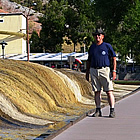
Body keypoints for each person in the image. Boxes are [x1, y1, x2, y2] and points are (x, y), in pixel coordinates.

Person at [86, 28, 117, 118]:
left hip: (105, 70)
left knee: (109, 91)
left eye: (99, 35)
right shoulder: (92, 47)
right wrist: (87, 72)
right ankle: (98, 109)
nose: (97, 37)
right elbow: (89, 60)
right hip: (94, 70)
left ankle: (112, 109)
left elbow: (114, 58)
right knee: (97, 91)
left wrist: (114, 70)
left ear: (102, 36)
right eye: (96, 35)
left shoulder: (107, 46)